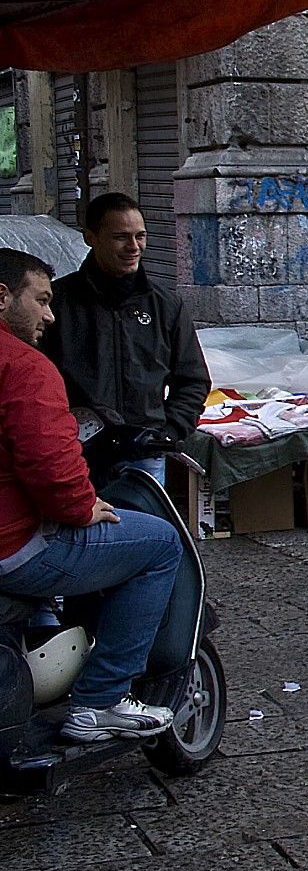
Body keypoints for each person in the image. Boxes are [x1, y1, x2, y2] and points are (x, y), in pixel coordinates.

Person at [0, 249, 185, 741]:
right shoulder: (24, 366)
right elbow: (50, 466)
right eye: (39, 301)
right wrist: (82, 507)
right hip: (12, 547)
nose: (49, 315)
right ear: (2, 297)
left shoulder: (160, 302)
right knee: (161, 544)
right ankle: (101, 701)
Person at [41, 193, 208, 485]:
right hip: (76, 453)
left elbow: (193, 380)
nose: (134, 247)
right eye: (121, 237)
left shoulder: (166, 305)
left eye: (140, 236)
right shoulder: (57, 304)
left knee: (148, 529)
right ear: (90, 237)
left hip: (144, 454)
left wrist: (167, 432)